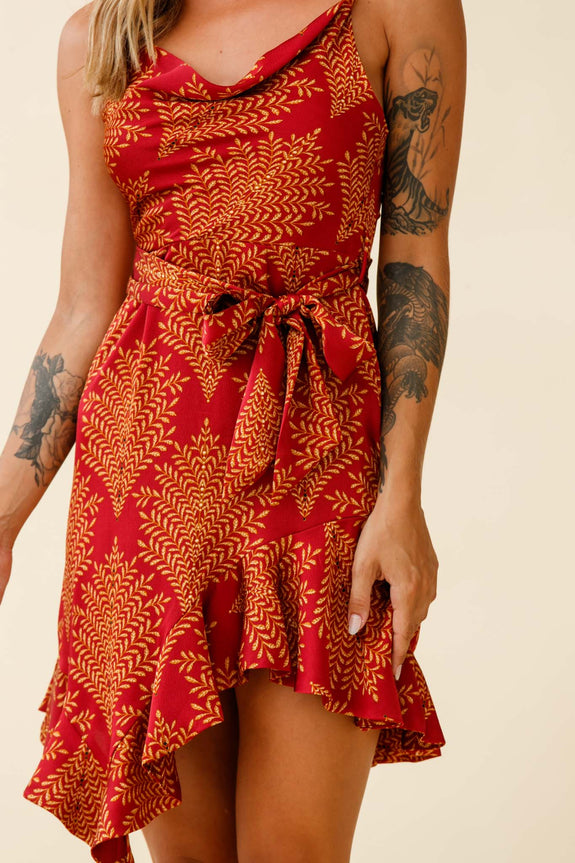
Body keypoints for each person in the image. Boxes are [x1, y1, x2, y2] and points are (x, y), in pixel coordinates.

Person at [0, 0, 466, 860]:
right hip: (147, 479)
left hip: (319, 451)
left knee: (297, 847)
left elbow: (415, 254)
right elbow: (83, 307)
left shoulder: (396, 11)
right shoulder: (102, 39)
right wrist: (2, 519)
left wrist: (401, 494)